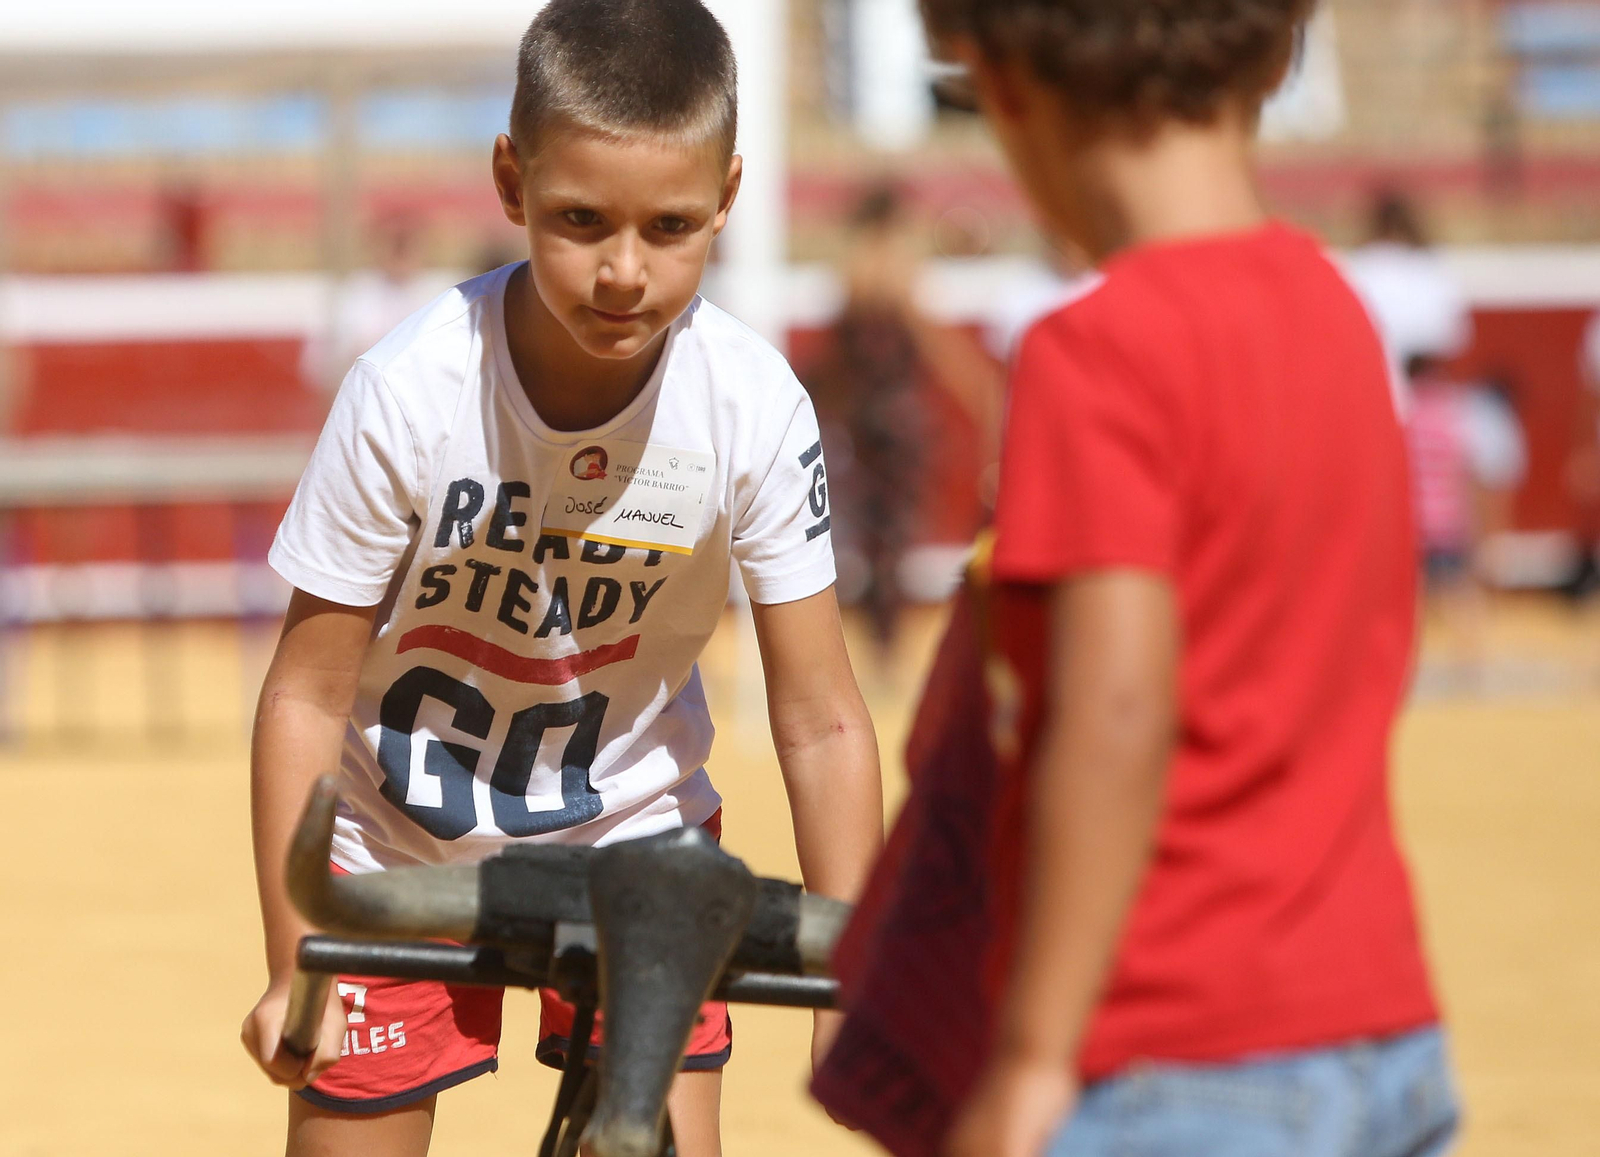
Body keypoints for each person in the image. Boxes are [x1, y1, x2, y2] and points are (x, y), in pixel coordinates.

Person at [238, 4, 884, 1155]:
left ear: (727, 198)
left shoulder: (752, 406)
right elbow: (301, 692)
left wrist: (860, 973)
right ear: (510, 177)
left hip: (641, 851)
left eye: (672, 226)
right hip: (394, 848)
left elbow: (824, 715)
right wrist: (297, 959)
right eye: (581, 220)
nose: (625, 272)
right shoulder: (408, 391)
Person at [813, 3, 1457, 1156]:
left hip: (1173, 1051)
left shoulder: (1092, 352)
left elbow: (1110, 714)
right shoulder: (1335, 312)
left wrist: (1030, 1056)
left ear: (1002, 84)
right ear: (1271, 52)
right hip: (1382, 1020)